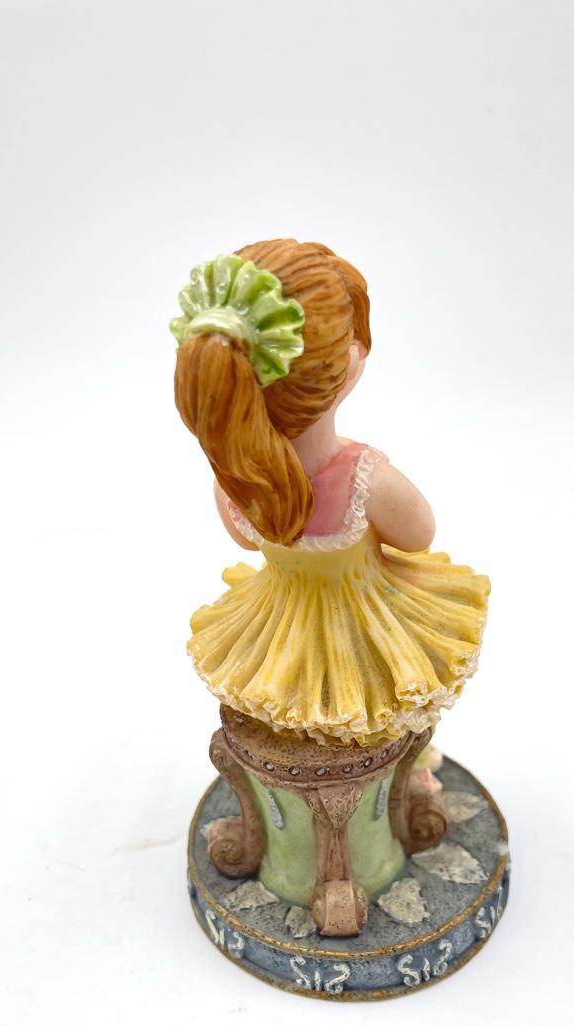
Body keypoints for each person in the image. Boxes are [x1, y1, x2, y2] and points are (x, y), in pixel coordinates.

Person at [172, 239, 489, 748]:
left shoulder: (235, 481)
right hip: (368, 631)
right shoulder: (368, 479)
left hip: (278, 635)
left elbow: (246, 541)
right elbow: (418, 535)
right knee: (379, 718)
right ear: (348, 362)